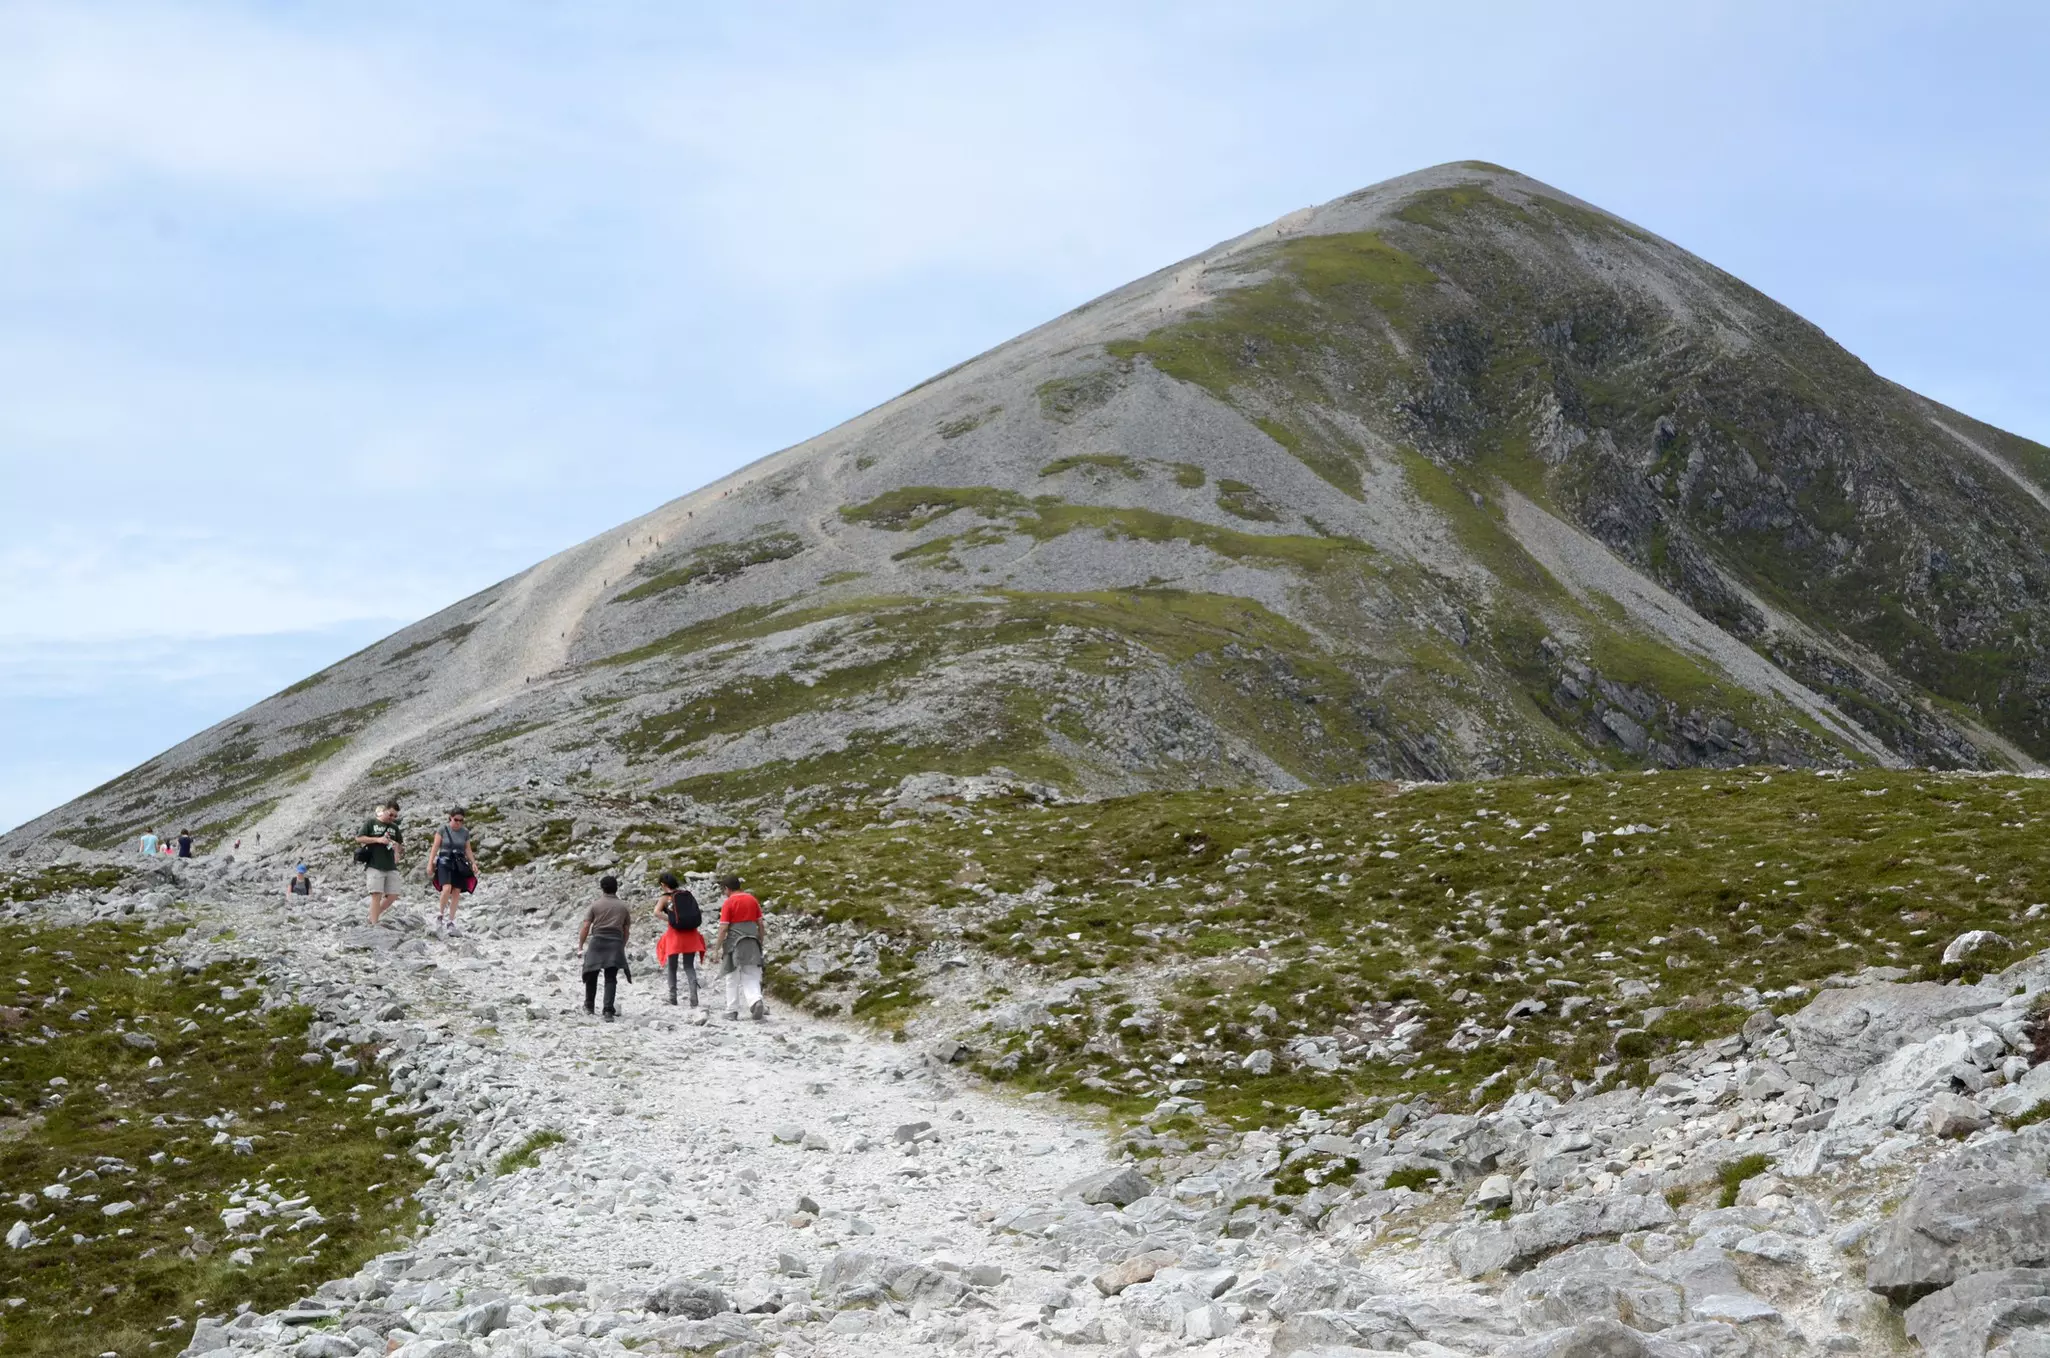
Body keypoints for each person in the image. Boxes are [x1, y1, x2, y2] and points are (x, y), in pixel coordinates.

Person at [577, 875, 633, 1020]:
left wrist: (580, 946)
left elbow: (585, 927)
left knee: (591, 974)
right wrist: (622, 945)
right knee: (611, 977)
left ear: (602, 888)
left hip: (597, 942)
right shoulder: (623, 907)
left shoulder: (594, 905)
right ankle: (608, 1011)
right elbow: (626, 930)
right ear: (616, 888)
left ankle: (589, 1006)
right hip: (615, 942)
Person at [715, 875, 767, 1021]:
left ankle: (732, 1010)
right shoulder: (752, 899)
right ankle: (756, 1001)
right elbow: (760, 924)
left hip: (734, 944)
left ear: (727, 888)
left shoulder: (729, 903)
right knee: (751, 974)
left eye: (723, 889)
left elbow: (724, 928)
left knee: (731, 976)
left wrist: (717, 948)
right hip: (753, 941)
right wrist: (760, 941)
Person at [653, 872, 706, 1007]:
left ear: (663, 885)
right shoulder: (686, 894)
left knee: (672, 966)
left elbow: (656, 912)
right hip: (691, 934)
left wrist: (670, 919)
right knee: (689, 966)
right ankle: (694, 996)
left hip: (675, 935)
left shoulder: (666, 898)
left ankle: (673, 997)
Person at [427, 807, 479, 936]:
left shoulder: (465, 832)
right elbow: (435, 847)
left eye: (461, 820)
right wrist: (430, 863)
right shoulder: (442, 830)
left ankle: (450, 921)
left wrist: (473, 863)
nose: (458, 823)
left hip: (458, 864)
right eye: (456, 820)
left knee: (456, 892)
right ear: (450, 817)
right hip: (444, 862)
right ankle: (440, 914)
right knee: (446, 888)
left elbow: (468, 849)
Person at [357, 802, 403, 927]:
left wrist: (397, 853)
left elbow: (399, 842)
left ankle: (373, 915)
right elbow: (359, 838)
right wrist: (377, 840)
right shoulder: (371, 823)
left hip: (390, 865)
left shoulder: (394, 827)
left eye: (395, 816)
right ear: (385, 811)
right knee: (376, 894)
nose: (393, 818)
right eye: (391, 815)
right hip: (374, 864)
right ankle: (374, 923)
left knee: (393, 894)